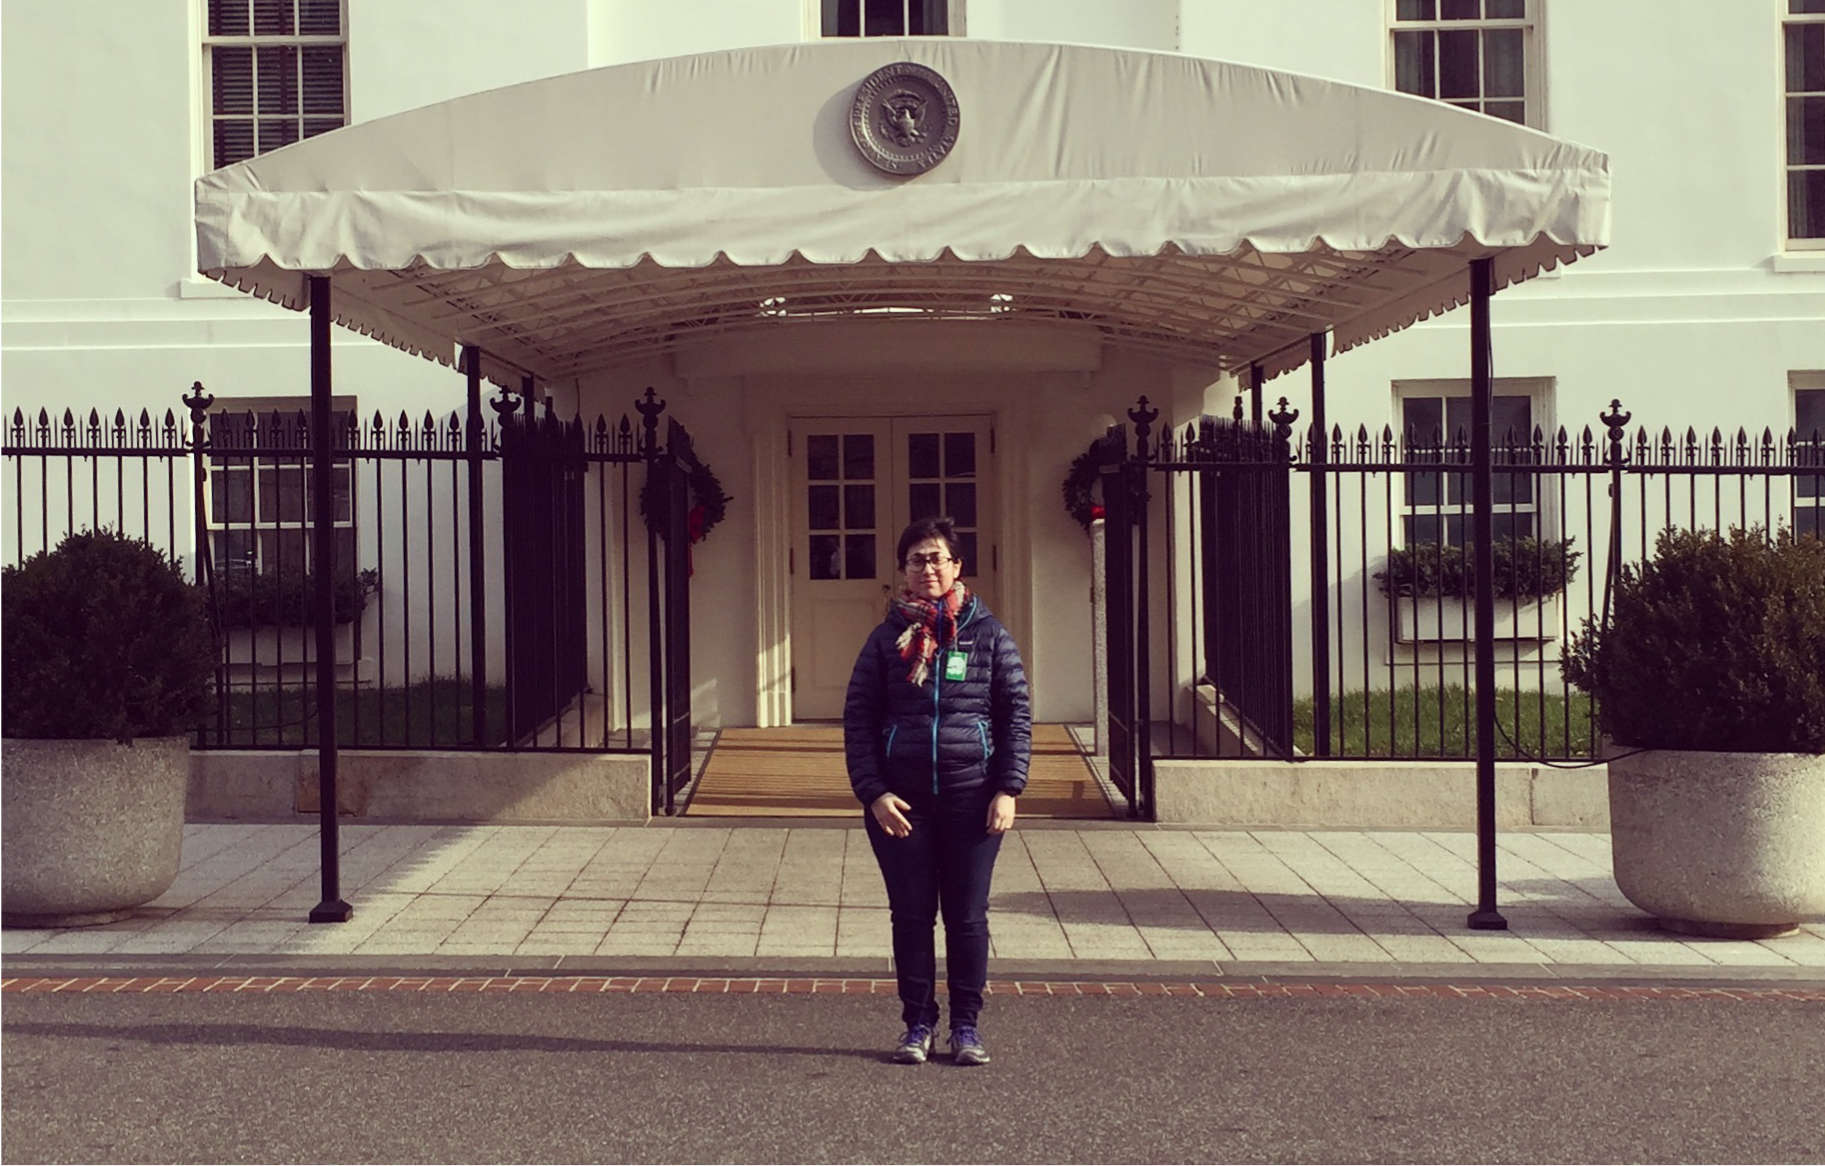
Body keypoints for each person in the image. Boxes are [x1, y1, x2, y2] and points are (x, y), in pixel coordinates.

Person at [843, 516, 1031, 1066]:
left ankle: (966, 1027)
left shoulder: (990, 635)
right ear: (903, 571)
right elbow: (858, 720)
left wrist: (1008, 788)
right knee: (911, 915)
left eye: (936, 559)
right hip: (902, 806)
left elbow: (1016, 715)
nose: (927, 568)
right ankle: (917, 1022)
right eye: (916, 560)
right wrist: (873, 793)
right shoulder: (884, 641)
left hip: (973, 799)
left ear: (956, 567)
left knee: (968, 917)